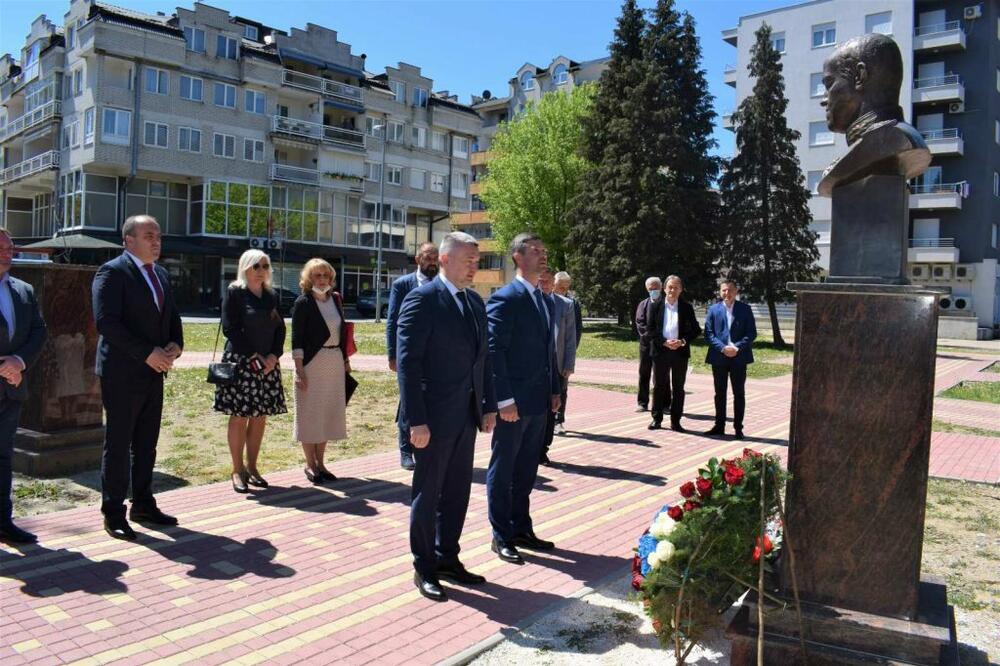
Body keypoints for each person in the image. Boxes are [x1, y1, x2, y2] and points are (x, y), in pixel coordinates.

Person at [396, 232, 496, 602]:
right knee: (428, 492)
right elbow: (408, 364)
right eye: (468, 260)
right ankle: (424, 566)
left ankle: (447, 557)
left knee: (457, 492)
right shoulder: (421, 299)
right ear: (444, 260)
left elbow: (483, 358)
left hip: (465, 416)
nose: (475, 266)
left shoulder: (473, 303)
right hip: (432, 418)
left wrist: (487, 405)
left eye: (477, 260)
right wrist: (415, 421)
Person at [93, 215, 183, 540]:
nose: (156, 241)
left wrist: (176, 344)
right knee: (118, 445)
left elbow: (171, 315)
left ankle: (143, 504)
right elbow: (107, 323)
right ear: (129, 240)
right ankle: (113, 512)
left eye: (158, 236)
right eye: (149, 235)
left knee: (146, 444)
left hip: (154, 372)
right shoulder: (112, 272)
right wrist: (146, 352)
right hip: (122, 373)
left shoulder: (159, 273)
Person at [486, 233, 562, 565]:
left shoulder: (544, 299)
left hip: (539, 401)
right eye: (535, 251)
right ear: (518, 257)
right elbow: (494, 352)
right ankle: (501, 535)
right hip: (513, 404)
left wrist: (555, 390)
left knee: (527, 468)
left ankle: (521, 527)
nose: (543, 256)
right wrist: (504, 400)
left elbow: (548, 351)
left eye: (544, 251)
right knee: (504, 469)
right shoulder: (506, 298)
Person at [214, 249, 287, 493]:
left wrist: (274, 355)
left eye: (265, 266)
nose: (261, 271)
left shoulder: (272, 295)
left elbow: (280, 329)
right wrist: (254, 355)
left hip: (267, 364)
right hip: (242, 362)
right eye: (256, 266)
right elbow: (230, 329)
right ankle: (237, 469)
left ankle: (252, 467)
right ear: (245, 267)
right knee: (239, 416)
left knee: (259, 416)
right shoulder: (235, 293)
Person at [0, 229, 47, 543]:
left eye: (10, 246)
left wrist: (19, 361)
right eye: (0, 247)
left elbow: (38, 332)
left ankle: (3, 521)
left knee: (4, 457)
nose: (7, 251)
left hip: (12, 388)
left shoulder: (23, 289)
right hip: (8, 377)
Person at [291, 258, 350, 485]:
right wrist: (299, 370)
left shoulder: (335, 300)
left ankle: (322, 463)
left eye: (326, 275)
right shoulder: (303, 302)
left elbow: (341, 331)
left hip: (333, 362)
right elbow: (297, 339)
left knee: (326, 414)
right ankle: (310, 464)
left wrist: (344, 359)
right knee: (310, 415)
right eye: (317, 275)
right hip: (311, 364)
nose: (322, 279)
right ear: (308, 278)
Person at [386, 242, 439, 471]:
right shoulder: (402, 285)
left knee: (427, 399)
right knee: (408, 399)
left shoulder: (442, 284)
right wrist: (392, 354)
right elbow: (392, 321)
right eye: (428, 257)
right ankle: (405, 449)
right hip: (409, 352)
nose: (433, 262)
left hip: (434, 355)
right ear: (418, 259)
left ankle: (427, 445)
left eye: (436, 257)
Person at [646, 275, 701, 432]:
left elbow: (696, 330)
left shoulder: (686, 307)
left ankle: (676, 421)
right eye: (670, 287)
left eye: (676, 287)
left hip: (679, 353)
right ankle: (656, 419)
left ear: (681, 290)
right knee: (659, 386)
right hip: (660, 352)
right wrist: (664, 341)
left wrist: (682, 341)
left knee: (678, 387)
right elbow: (650, 330)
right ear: (664, 289)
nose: (672, 290)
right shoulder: (655, 306)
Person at [704, 280, 757, 440]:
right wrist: (722, 348)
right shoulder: (713, 309)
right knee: (719, 393)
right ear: (720, 292)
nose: (727, 293)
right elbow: (708, 333)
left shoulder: (745, 309)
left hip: (739, 357)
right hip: (719, 357)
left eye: (730, 290)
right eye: (724, 290)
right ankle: (719, 426)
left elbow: (751, 332)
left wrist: (737, 347)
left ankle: (738, 428)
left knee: (738, 393)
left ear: (736, 291)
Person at [539, 269, 576, 464]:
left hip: (558, 365)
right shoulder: (530, 303)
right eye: (540, 281)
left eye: (546, 282)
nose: (543, 285)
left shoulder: (565, 305)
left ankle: (543, 448)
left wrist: (568, 365)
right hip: (536, 367)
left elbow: (570, 338)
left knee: (551, 408)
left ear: (553, 283)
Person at [552, 271, 581, 434]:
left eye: (566, 288)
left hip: (563, 355)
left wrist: (569, 357)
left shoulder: (571, 304)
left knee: (562, 389)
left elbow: (575, 332)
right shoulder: (545, 300)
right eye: (560, 287)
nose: (563, 290)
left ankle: (559, 420)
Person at [634, 277, 662, 413]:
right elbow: (640, 324)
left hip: (662, 346)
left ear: (661, 288)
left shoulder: (666, 304)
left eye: (656, 288)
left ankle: (663, 404)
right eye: (651, 289)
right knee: (644, 374)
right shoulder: (643, 304)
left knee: (661, 376)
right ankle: (642, 403)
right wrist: (651, 336)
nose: (653, 291)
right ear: (647, 289)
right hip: (646, 346)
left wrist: (660, 338)